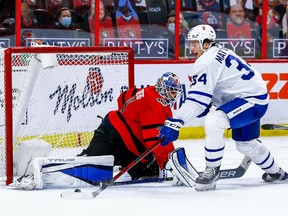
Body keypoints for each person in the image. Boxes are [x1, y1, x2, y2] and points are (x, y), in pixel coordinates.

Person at [159, 24, 288, 191]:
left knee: (215, 121)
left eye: (194, 43)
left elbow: (197, 101)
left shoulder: (206, 61)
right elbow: (223, 85)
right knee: (245, 144)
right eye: (190, 43)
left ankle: (212, 171)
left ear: (206, 44)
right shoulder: (218, 51)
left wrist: (176, 121)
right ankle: (277, 173)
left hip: (250, 100)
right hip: (253, 98)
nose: (190, 48)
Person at [78, 72, 183, 180]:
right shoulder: (156, 105)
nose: (174, 96)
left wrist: (129, 116)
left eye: (175, 92)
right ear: (163, 88)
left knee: (151, 173)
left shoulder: (148, 90)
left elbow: (122, 98)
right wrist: (168, 161)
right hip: (112, 135)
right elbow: (155, 137)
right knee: (89, 169)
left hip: (130, 147)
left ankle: (120, 164)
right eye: (172, 92)